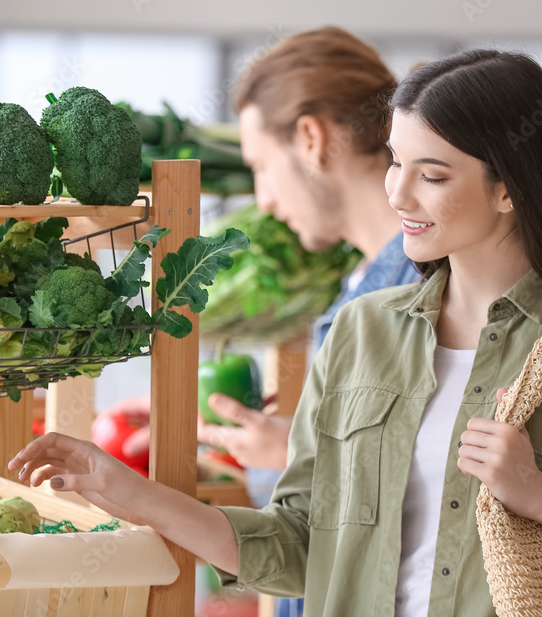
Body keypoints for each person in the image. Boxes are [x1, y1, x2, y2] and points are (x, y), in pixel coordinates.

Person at [11, 49, 542, 616]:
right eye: (395, 162)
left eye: (431, 173)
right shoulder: (364, 331)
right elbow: (302, 544)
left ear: (507, 187)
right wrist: (127, 491)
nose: (396, 191)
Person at [115, 26, 421, 477]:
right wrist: (280, 441)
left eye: (261, 167)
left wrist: (300, 453)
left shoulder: (420, 287)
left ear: (312, 139)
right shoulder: (366, 280)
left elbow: (431, 482)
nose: (264, 201)